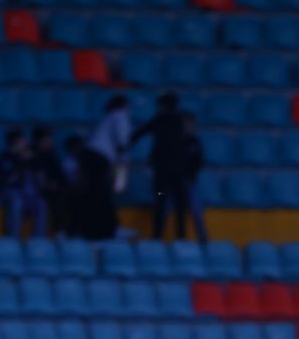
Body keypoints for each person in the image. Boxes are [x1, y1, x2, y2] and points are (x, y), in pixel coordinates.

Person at [131, 93, 196, 242]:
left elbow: (140, 132)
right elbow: (191, 145)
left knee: (161, 199)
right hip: (179, 172)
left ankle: (157, 235)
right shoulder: (181, 120)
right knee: (180, 203)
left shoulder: (160, 119)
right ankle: (180, 236)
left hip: (163, 172)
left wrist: (126, 143)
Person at [78, 95, 131, 239]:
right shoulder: (119, 115)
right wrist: (122, 173)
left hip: (93, 157)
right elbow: (122, 142)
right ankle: (108, 229)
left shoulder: (107, 118)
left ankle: (97, 229)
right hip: (98, 158)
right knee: (101, 195)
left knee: (96, 195)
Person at [0, 130, 38, 239]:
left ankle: (37, 240)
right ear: (16, 142)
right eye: (23, 141)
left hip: (22, 191)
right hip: (6, 190)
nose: (25, 143)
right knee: (16, 200)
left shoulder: (24, 157)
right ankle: (13, 237)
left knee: (41, 203)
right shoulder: (4, 158)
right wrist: (20, 162)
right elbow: (7, 179)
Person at [28, 125, 67, 237]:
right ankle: (40, 238)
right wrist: (46, 184)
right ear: (38, 141)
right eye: (46, 140)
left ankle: (62, 233)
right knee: (43, 203)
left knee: (65, 196)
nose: (50, 143)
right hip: (35, 192)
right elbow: (34, 179)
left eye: (50, 140)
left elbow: (61, 179)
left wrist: (55, 185)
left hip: (52, 191)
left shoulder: (52, 157)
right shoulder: (32, 156)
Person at [180, 111, 209, 244]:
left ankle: (203, 238)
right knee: (162, 203)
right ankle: (159, 237)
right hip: (173, 184)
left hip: (190, 182)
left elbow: (199, 161)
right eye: (186, 124)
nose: (189, 127)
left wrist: (191, 174)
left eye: (191, 124)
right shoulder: (176, 141)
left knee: (196, 209)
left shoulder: (195, 142)